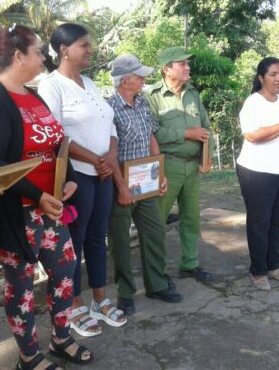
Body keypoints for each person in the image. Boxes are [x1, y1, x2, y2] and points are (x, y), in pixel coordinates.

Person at [0, 25, 92, 370]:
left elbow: (55, 144)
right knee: (20, 285)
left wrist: (67, 180)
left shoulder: (32, 95)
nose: (44, 58)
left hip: (51, 207)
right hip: (17, 212)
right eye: (39, 52)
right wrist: (37, 195)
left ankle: (61, 338)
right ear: (18, 55)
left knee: (65, 271)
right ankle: (28, 355)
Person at [38, 23, 126, 336]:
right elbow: (56, 135)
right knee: (73, 243)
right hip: (78, 177)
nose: (90, 50)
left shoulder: (89, 82)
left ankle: (99, 299)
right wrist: (96, 160)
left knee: (97, 238)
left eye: (90, 44)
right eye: (84, 45)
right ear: (63, 49)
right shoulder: (52, 86)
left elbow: (110, 125)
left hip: (102, 173)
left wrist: (111, 157)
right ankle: (73, 305)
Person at [107, 54, 183, 315]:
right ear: (125, 80)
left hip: (146, 182)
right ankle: (125, 293)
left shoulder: (141, 103)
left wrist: (159, 172)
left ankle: (157, 284)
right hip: (121, 185)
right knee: (119, 242)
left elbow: (151, 136)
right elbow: (109, 152)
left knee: (154, 234)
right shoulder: (108, 108)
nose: (143, 79)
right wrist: (121, 187)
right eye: (139, 76)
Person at [145, 47, 214, 282]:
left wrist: (208, 154)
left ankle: (190, 264)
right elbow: (152, 132)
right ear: (166, 69)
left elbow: (206, 127)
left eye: (188, 63)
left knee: (191, 218)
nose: (187, 67)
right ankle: (156, 273)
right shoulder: (151, 95)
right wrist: (186, 133)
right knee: (158, 220)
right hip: (167, 165)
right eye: (181, 64)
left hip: (192, 166)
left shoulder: (192, 94)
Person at [236, 57, 279, 290]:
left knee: (277, 221)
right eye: (273, 74)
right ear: (261, 78)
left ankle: (274, 266)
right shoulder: (253, 103)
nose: (278, 78)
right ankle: (258, 271)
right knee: (259, 222)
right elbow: (252, 136)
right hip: (257, 171)